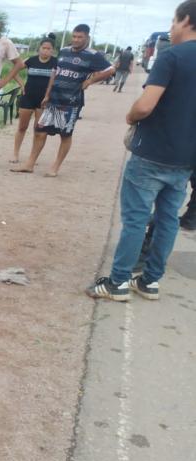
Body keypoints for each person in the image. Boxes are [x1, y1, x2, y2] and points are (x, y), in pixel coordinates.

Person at [86, 0, 196, 302]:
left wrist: (131, 115)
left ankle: (118, 282)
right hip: (186, 159)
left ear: (186, 20)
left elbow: (146, 105)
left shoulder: (171, 56)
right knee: (168, 218)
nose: (172, 28)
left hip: (152, 153)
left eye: (174, 21)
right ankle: (149, 281)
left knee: (136, 218)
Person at [13, 24, 115, 177]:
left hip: (71, 101)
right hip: (53, 98)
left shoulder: (92, 55)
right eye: (74, 36)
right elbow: (55, 72)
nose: (76, 39)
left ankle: (55, 167)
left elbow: (110, 70)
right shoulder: (64, 51)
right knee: (40, 131)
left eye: (80, 37)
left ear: (87, 38)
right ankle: (30, 164)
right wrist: (47, 94)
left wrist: (89, 81)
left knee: (65, 134)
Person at [11, 34, 57, 164]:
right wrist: (21, 84)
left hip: (43, 100)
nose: (46, 50)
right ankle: (15, 153)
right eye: (44, 48)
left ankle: (33, 156)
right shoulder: (31, 60)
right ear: (39, 48)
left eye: (49, 48)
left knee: (38, 130)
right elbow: (14, 70)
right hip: (28, 98)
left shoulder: (55, 63)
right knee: (22, 127)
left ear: (52, 50)